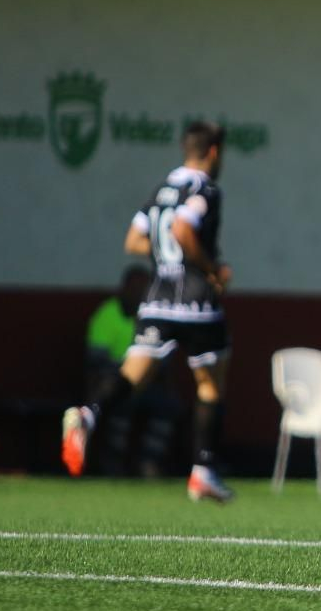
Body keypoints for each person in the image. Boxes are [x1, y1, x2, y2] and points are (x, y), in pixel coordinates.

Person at [62, 121, 236, 502]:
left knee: (131, 376)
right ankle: (203, 471)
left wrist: (164, 257)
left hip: (157, 298)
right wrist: (210, 269)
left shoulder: (162, 188)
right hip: (195, 300)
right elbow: (183, 231)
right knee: (210, 383)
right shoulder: (203, 188)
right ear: (214, 152)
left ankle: (88, 414)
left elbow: (134, 240)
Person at [84, 265, 177, 477]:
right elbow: (94, 364)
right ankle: (112, 462)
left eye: (143, 289)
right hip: (113, 380)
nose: (139, 294)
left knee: (168, 405)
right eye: (135, 288)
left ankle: (149, 462)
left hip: (148, 383)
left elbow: (162, 363)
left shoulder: (153, 318)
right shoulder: (107, 315)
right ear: (123, 288)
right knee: (118, 399)